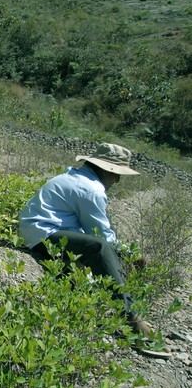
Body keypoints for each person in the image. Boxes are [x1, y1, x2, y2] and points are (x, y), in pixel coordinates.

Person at [18, 143, 152, 337]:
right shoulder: (91, 190)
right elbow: (101, 235)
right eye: (117, 175)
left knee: (101, 251)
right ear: (107, 171)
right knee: (99, 248)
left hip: (38, 231)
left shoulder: (76, 177)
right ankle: (130, 317)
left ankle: (108, 303)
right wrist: (130, 255)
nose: (118, 181)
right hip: (43, 234)